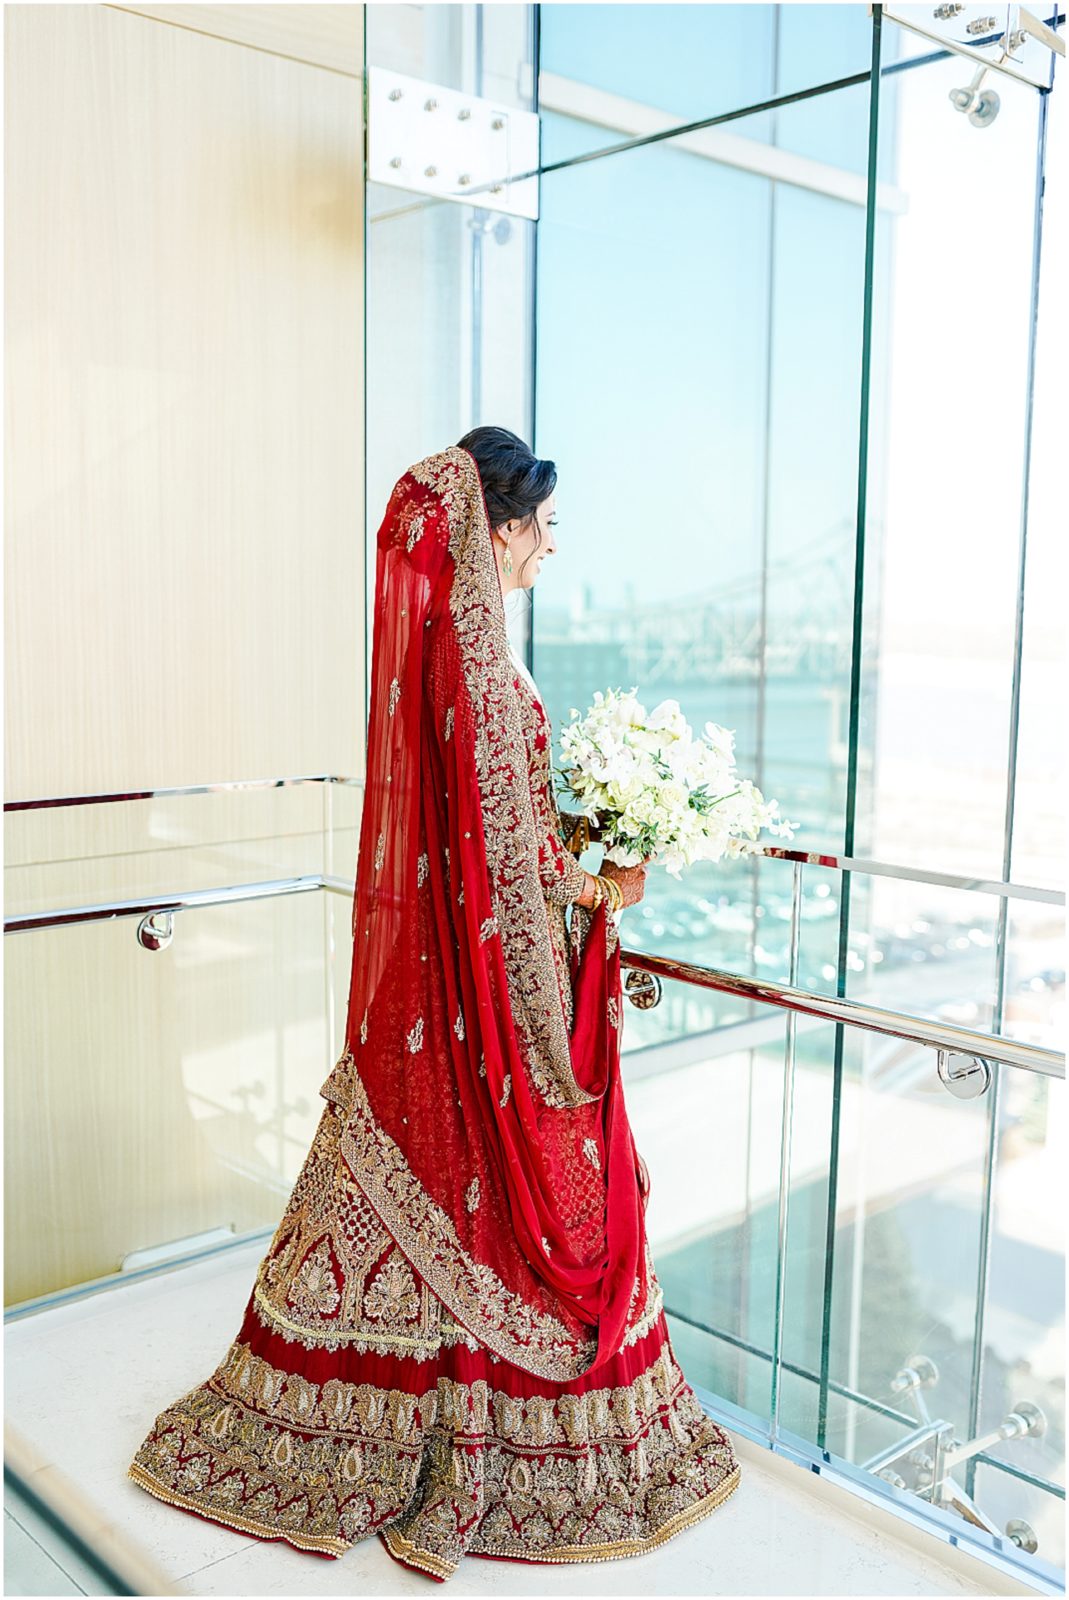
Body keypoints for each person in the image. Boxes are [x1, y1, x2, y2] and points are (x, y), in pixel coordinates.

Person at [126, 428, 741, 1580]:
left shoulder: (437, 664)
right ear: (496, 530)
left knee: (425, 1163)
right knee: (538, 1198)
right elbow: (513, 866)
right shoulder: (491, 685)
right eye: (542, 526)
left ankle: (337, 1398)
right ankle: (492, 1427)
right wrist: (603, 887)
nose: (550, 547)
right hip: (492, 1006)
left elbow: (482, 849)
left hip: (438, 995)